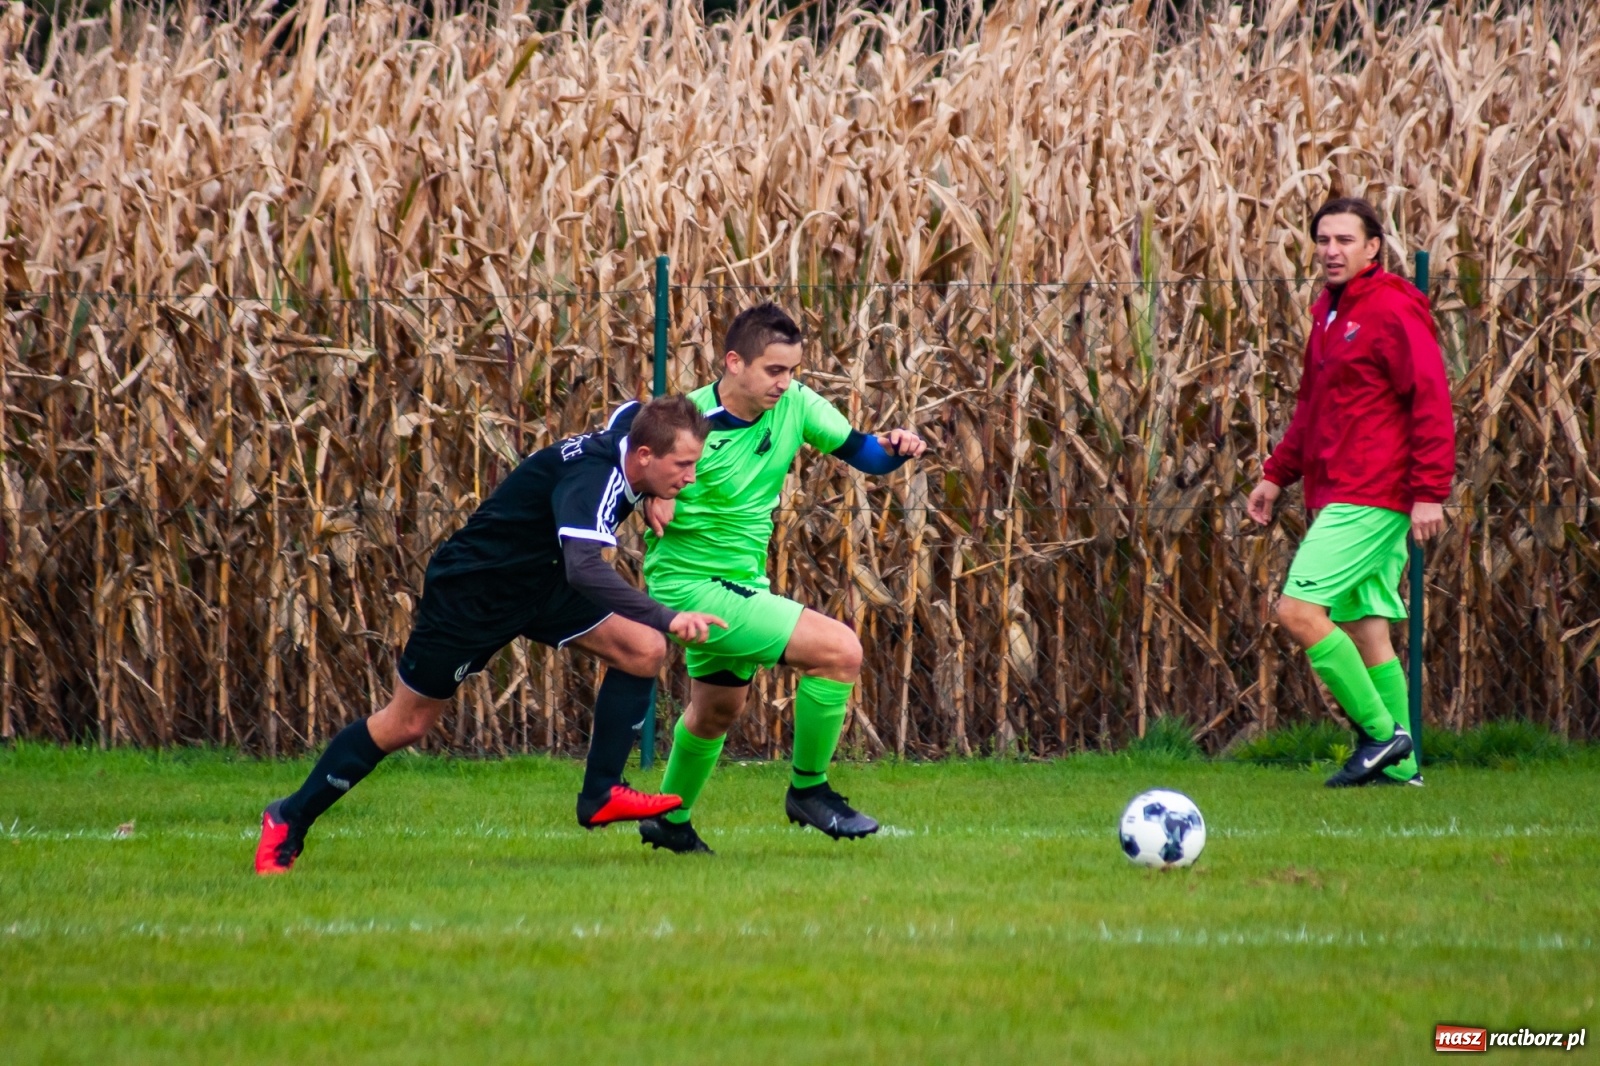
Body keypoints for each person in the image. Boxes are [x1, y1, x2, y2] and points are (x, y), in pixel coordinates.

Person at [254, 396, 728, 874]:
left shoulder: (633, 433)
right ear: (644, 456)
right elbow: (584, 569)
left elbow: (630, 409)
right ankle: (287, 817)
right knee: (407, 723)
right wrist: (665, 615)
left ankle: (601, 793)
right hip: (474, 593)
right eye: (683, 466)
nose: (690, 476)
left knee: (643, 650)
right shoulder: (594, 479)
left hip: (540, 584)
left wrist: (654, 493)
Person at [634, 303, 927, 854]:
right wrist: (646, 492)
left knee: (717, 710)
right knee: (840, 652)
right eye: (773, 370)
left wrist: (895, 450)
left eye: (792, 370)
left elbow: (863, 451)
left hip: (743, 583)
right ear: (734, 363)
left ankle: (669, 820)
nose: (785, 383)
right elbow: (624, 462)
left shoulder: (796, 405)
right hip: (690, 588)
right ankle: (809, 791)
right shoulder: (687, 417)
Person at [1247, 196, 1456, 788]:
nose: (1331, 250)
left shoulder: (1392, 309)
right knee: (1366, 624)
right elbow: (1313, 407)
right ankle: (1405, 768)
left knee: (1298, 611)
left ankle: (1381, 735)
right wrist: (1275, 474)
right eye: (1323, 240)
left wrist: (1429, 491)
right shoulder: (1330, 314)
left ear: (1372, 248)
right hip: (1339, 490)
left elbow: (1430, 399)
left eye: (1345, 240)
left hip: (1374, 492)